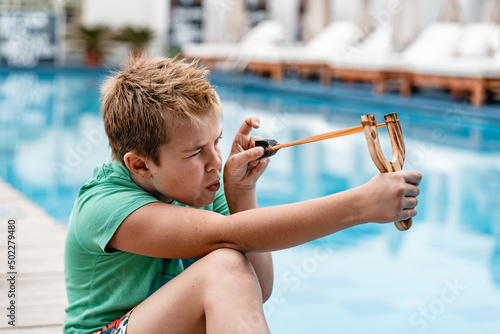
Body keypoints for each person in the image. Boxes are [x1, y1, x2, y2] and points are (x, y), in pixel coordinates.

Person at [63, 55, 422, 334]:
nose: (215, 161)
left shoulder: (201, 189)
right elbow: (228, 240)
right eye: (194, 152)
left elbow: (257, 289)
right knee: (222, 263)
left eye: (216, 142)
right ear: (139, 165)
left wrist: (241, 193)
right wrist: (361, 205)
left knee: (229, 267)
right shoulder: (104, 206)